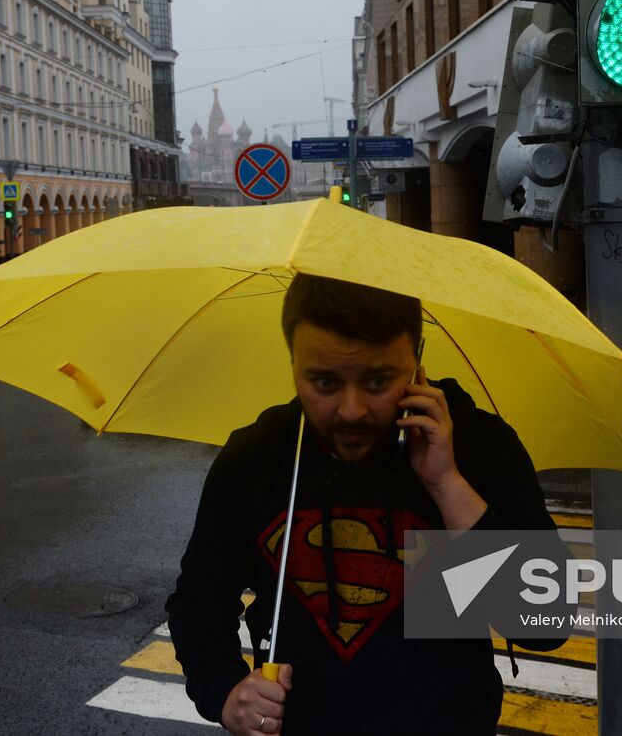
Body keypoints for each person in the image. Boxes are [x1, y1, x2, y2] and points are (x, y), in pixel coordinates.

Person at [165, 274, 564, 735]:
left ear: (417, 362)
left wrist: (445, 481)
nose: (351, 410)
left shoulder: (478, 445)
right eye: (324, 381)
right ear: (293, 361)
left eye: (377, 380)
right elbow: (198, 603)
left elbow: (545, 622)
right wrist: (226, 691)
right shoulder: (258, 456)